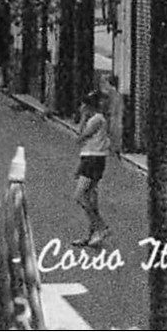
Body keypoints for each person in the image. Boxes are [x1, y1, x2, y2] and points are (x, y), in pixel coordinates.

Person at [74, 91, 111, 247]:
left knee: (80, 195)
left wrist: (82, 117)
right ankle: (91, 234)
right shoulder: (98, 119)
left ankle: (100, 226)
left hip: (93, 159)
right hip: (92, 158)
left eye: (83, 105)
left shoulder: (96, 120)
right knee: (91, 196)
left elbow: (80, 137)